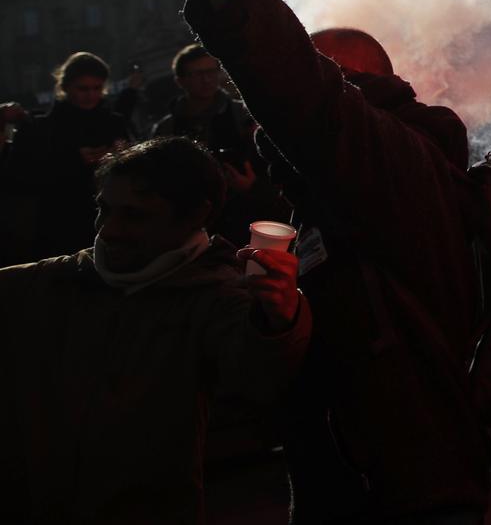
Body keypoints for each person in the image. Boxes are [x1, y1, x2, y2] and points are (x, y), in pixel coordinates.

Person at [150, 0, 491, 523]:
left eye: (323, 72)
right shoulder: (336, 192)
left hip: (409, 480)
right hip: (356, 466)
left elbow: (298, 87)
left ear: (349, 88)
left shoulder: (392, 162)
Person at [0, 136, 309, 523]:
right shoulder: (54, 281)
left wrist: (279, 319)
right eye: (104, 210)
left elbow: (258, 376)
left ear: (196, 214)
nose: (108, 230)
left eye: (135, 216)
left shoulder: (217, 296)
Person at [0, 51, 132, 260]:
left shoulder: (114, 123)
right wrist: (72, 159)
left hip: (107, 218)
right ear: (65, 87)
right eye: (83, 88)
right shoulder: (42, 127)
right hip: (58, 219)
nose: (90, 95)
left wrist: (119, 156)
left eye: (96, 88)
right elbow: (20, 177)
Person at [152, 42, 286, 245]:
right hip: (191, 223)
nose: (206, 80)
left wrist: (254, 187)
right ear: (181, 81)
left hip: (244, 215)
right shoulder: (167, 128)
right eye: (197, 74)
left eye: (211, 71)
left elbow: (275, 166)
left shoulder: (244, 115)